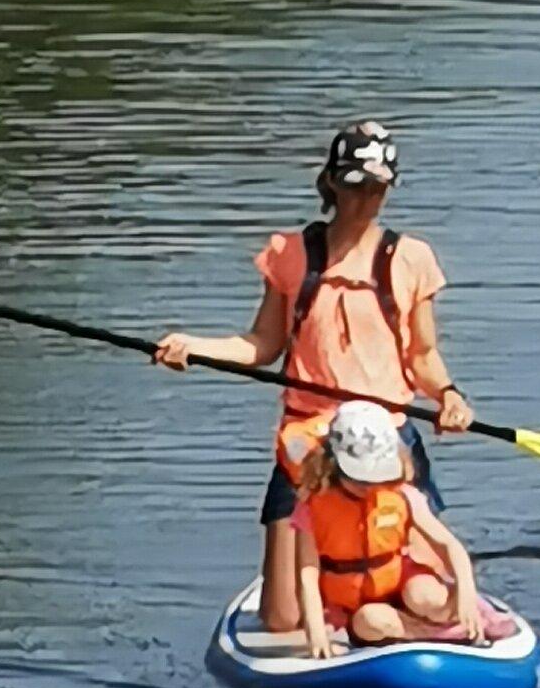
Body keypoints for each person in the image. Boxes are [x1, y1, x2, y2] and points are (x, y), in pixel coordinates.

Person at [155, 117, 475, 635]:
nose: (366, 199)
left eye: (376, 187)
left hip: (386, 439)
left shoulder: (411, 259)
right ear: (330, 183)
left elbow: (423, 357)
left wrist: (449, 395)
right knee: (281, 618)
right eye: (354, 186)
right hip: (307, 441)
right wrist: (195, 348)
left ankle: (386, 617)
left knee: (426, 592)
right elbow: (262, 345)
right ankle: (347, 604)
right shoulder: (290, 254)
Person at [287, 399, 486, 656]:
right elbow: (308, 573)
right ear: (333, 462)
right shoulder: (313, 507)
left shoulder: (403, 495)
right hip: (356, 606)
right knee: (372, 619)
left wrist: (466, 592)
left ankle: (461, 618)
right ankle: (429, 636)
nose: (369, 486)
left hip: (400, 582)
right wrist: (316, 635)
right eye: (358, 478)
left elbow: (449, 546)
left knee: (425, 595)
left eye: (376, 477)